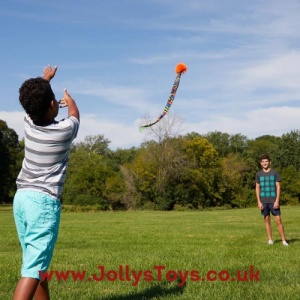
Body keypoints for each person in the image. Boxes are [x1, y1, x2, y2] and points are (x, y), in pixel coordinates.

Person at [13, 65, 80, 300]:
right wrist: (69, 100)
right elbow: (74, 116)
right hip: (42, 203)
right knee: (33, 269)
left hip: (22, 199)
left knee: (37, 265)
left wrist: (45, 80)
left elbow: (36, 100)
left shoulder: (28, 122)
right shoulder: (63, 132)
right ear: (53, 105)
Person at [255, 154, 288, 246]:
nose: (265, 163)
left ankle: (284, 240)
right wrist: (259, 201)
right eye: (263, 162)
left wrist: (277, 200)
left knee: (278, 219)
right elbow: (257, 188)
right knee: (267, 220)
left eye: (266, 161)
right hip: (263, 201)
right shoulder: (258, 174)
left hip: (273, 200)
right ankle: (270, 240)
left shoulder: (275, 173)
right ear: (261, 163)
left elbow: (278, 187)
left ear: (269, 162)